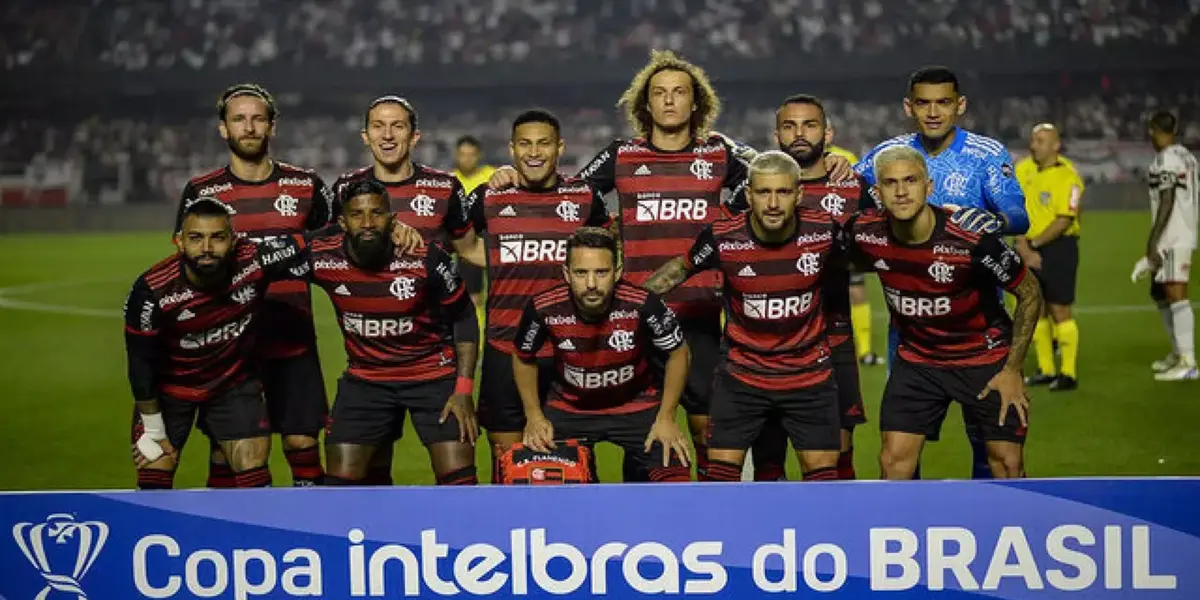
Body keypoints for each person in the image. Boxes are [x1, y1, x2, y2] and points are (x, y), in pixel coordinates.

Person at [853, 66, 1029, 480]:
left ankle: (989, 513)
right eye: (923, 103)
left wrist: (994, 221)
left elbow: (1018, 213)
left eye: (943, 102)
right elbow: (848, 192)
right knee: (900, 448)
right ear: (908, 107)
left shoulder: (986, 153)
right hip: (911, 329)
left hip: (979, 325)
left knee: (989, 444)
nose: (933, 112)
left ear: (960, 105)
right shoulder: (887, 154)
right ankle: (907, 517)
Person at [644, 151, 842, 481]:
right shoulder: (723, 237)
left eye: (783, 192)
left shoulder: (824, 231)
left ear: (799, 194)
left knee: (822, 481)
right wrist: (629, 304)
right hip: (741, 378)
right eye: (764, 192)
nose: (773, 203)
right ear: (749, 195)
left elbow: (870, 256)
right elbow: (680, 268)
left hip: (809, 377)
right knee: (720, 480)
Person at [176, 83, 333, 488]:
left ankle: (311, 523)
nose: (248, 128)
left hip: (293, 341)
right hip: (230, 349)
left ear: (272, 126)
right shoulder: (202, 192)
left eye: (258, 119)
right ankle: (227, 527)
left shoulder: (306, 185)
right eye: (239, 119)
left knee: (302, 442)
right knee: (227, 449)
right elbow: (188, 265)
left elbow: (335, 247)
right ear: (223, 129)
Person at [455, 109, 611, 482]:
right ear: (512, 149)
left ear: (560, 147)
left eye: (544, 143)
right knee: (506, 457)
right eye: (525, 144)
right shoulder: (490, 196)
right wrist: (498, 258)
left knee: (575, 458)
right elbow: (461, 242)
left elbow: (607, 249)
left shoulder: (584, 197)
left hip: (569, 348)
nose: (535, 152)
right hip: (505, 346)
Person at [333, 96, 477, 484]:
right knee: (365, 482)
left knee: (459, 482)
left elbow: (471, 250)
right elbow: (328, 247)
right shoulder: (345, 189)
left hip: (433, 359)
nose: (388, 135)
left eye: (397, 126)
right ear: (366, 136)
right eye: (378, 126)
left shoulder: (443, 187)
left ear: (414, 136)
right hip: (368, 367)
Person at [128, 198, 313, 489]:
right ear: (179, 241)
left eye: (217, 237)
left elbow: (313, 242)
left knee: (253, 472)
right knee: (155, 472)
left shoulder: (255, 260)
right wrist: (152, 429)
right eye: (196, 238)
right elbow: (140, 364)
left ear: (233, 240)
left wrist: (384, 228)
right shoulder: (152, 291)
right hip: (171, 389)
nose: (206, 248)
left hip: (232, 383)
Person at [309, 180, 480, 485]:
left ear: (392, 218)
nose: (367, 222)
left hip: (432, 374)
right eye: (357, 215)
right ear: (342, 223)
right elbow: (269, 259)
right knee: (339, 487)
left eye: (376, 213)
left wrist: (464, 390)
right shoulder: (321, 256)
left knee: (460, 484)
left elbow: (465, 317)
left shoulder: (425, 257)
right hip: (366, 379)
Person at [514, 227, 692, 482]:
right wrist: (534, 417)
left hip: (637, 406)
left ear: (617, 273)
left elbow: (679, 352)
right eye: (581, 273)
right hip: (569, 410)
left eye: (601, 272)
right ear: (566, 273)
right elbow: (522, 356)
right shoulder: (543, 307)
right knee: (547, 482)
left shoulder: (643, 303)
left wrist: (666, 418)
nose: (591, 284)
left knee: (674, 483)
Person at [1016, 123, 1084, 391]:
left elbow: (1065, 219)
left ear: (1056, 145)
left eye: (1041, 141)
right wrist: (1024, 248)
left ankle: (1068, 373)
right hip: (1027, 246)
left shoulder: (1069, 176)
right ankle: (1046, 369)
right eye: (1033, 140)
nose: (1034, 145)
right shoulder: (1024, 170)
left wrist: (1033, 245)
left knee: (1059, 308)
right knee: (1035, 307)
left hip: (1059, 248)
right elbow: (1015, 210)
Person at [1134, 111, 1198, 381]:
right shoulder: (1186, 155)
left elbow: (1168, 199)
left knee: (1176, 293)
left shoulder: (1167, 159)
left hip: (1174, 236)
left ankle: (1188, 362)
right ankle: (1177, 352)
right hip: (1181, 231)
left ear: (1153, 131)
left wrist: (1153, 243)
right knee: (1159, 291)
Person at [826, 117, 882, 367]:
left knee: (857, 293)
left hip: (845, 240)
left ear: (830, 133)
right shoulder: (796, 161)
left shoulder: (846, 158)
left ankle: (865, 351)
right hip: (811, 242)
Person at [452, 135, 496, 314]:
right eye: (463, 154)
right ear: (456, 155)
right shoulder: (450, 181)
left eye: (471, 155)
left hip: (489, 242)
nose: (467, 159)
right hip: (462, 245)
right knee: (468, 298)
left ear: (479, 155)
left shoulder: (493, 177)